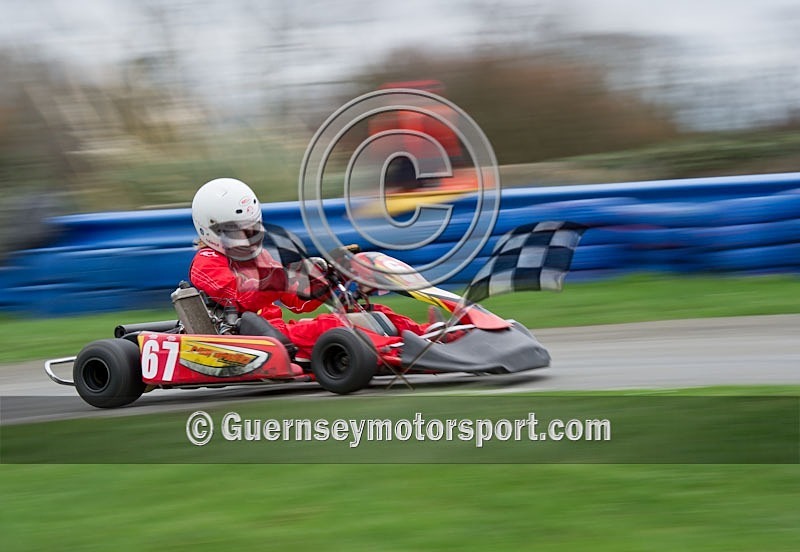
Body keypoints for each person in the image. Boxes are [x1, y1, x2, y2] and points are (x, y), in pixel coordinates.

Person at [188, 178, 427, 361]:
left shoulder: (258, 256)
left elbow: (297, 303)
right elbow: (241, 296)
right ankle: (399, 350)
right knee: (331, 328)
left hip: (276, 333)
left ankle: (429, 335)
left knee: (372, 314)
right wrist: (284, 278)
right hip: (250, 339)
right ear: (211, 229)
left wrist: (331, 276)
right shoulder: (206, 263)